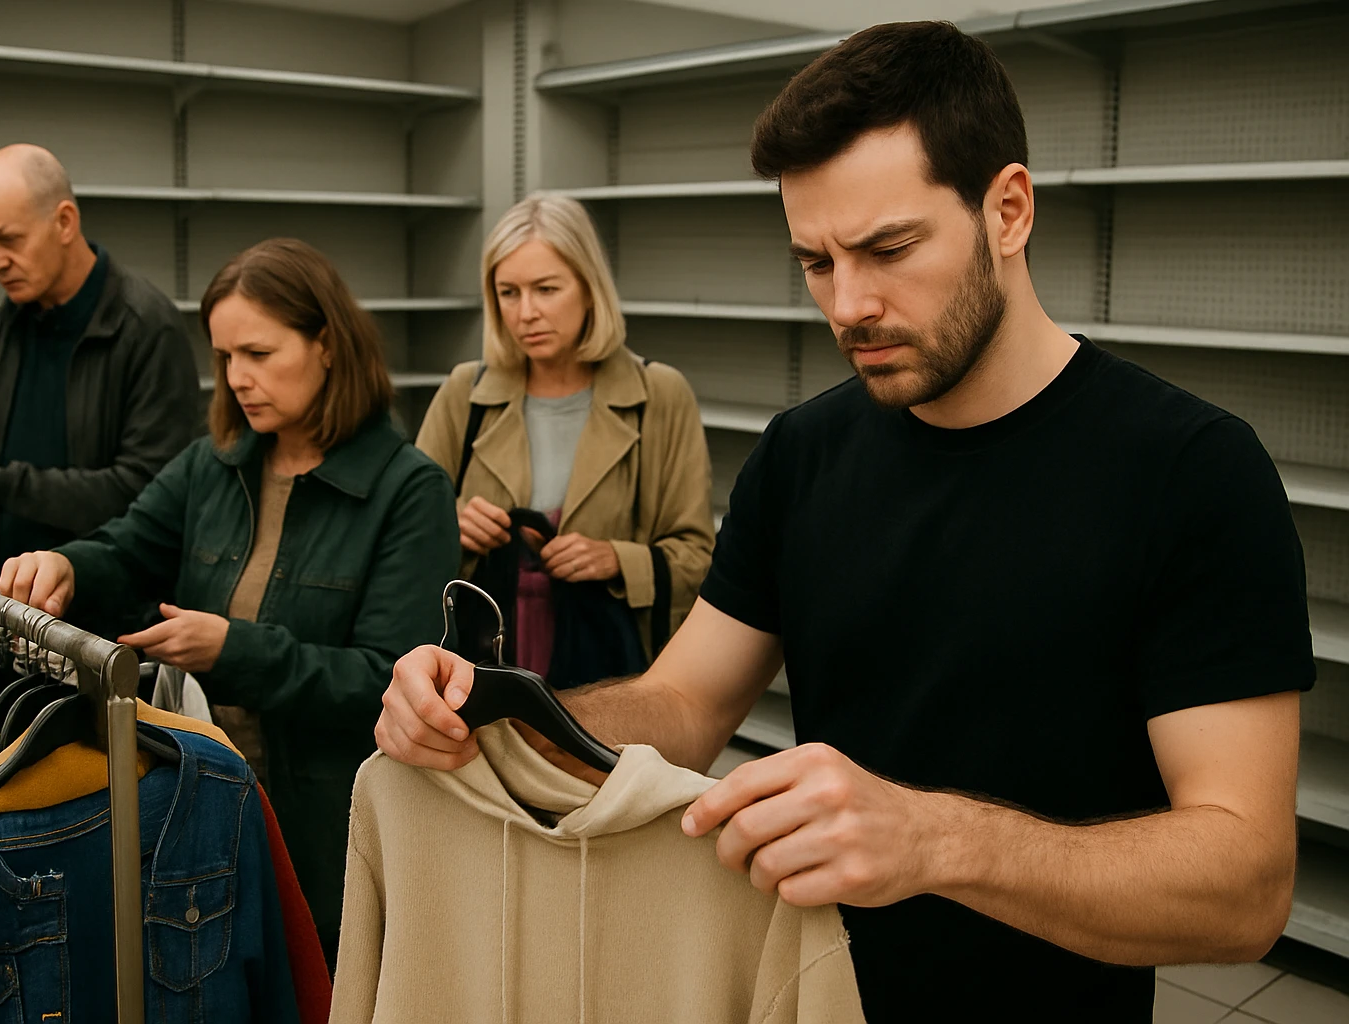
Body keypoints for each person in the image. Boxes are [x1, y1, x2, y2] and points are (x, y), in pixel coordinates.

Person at [374, 22, 1315, 1023]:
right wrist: (504, 715)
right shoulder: (802, 453)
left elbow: (1245, 888)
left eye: (889, 248)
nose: (850, 304)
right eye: (816, 261)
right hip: (804, 995)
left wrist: (935, 840)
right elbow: (684, 704)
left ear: (1009, 209)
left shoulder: (1190, 471)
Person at [0, 237, 460, 967]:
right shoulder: (212, 465)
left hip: (329, 831)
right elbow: (127, 549)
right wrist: (66, 565)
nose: (237, 380)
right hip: (207, 804)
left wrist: (232, 651)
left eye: (259, 354)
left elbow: (386, 678)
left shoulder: (410, 492)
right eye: (224, 359)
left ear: (328, 346)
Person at [416, 194, 714, 683]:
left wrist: (616, 559)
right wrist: (452, 526)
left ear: (590, 288)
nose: (526, 312)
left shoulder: (659, 395)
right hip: (476, 667)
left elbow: (697, 561)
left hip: (609, 668)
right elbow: (405, 536)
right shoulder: (463, 394)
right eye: (508, 293)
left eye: (546, 289)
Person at [0, 144, 199, 583]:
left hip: (104, 615)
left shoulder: (147, 329)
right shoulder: (0, 328)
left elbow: (145, 493)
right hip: (7, 600)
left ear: (64, 222)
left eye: (7, 239)